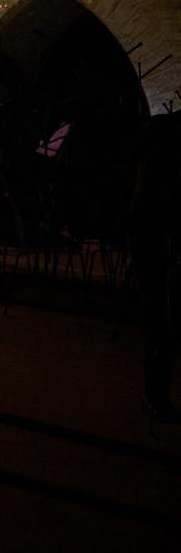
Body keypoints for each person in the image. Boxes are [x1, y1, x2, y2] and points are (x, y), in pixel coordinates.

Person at [129, 112, 181, 423]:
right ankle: (155, 396)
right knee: (161, 320)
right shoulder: (166, 134)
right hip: (155, 235)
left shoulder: (159, 131)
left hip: (148, 232)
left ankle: (155, 396)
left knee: (159, 320)